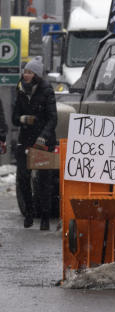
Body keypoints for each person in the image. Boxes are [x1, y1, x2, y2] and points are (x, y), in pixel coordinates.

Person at [13, 57, 57, 230]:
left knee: (44, 179)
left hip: (43, 141)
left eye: (30, 72)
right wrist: (23, 119)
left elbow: (53, 118)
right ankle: (29, 213)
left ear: (37, 75)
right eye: (25, 71)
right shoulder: (21, 90)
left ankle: (45, 216)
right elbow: (14, 118)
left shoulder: (47, 90)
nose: (26, 75)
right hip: (25, 141)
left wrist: (43, 137)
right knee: (23, 177)